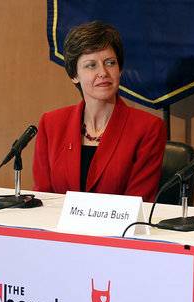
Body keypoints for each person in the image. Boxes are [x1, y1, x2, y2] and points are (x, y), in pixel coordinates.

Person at [33, 21, 166, 202]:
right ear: (74, 75)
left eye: (110, 63)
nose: (103, 72)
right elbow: (43, 197)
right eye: (91, 65)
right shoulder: (51, 124)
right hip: (60, 228)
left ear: (119, 71)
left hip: (119, 229)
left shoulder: (148, 128)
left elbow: (137, 203)